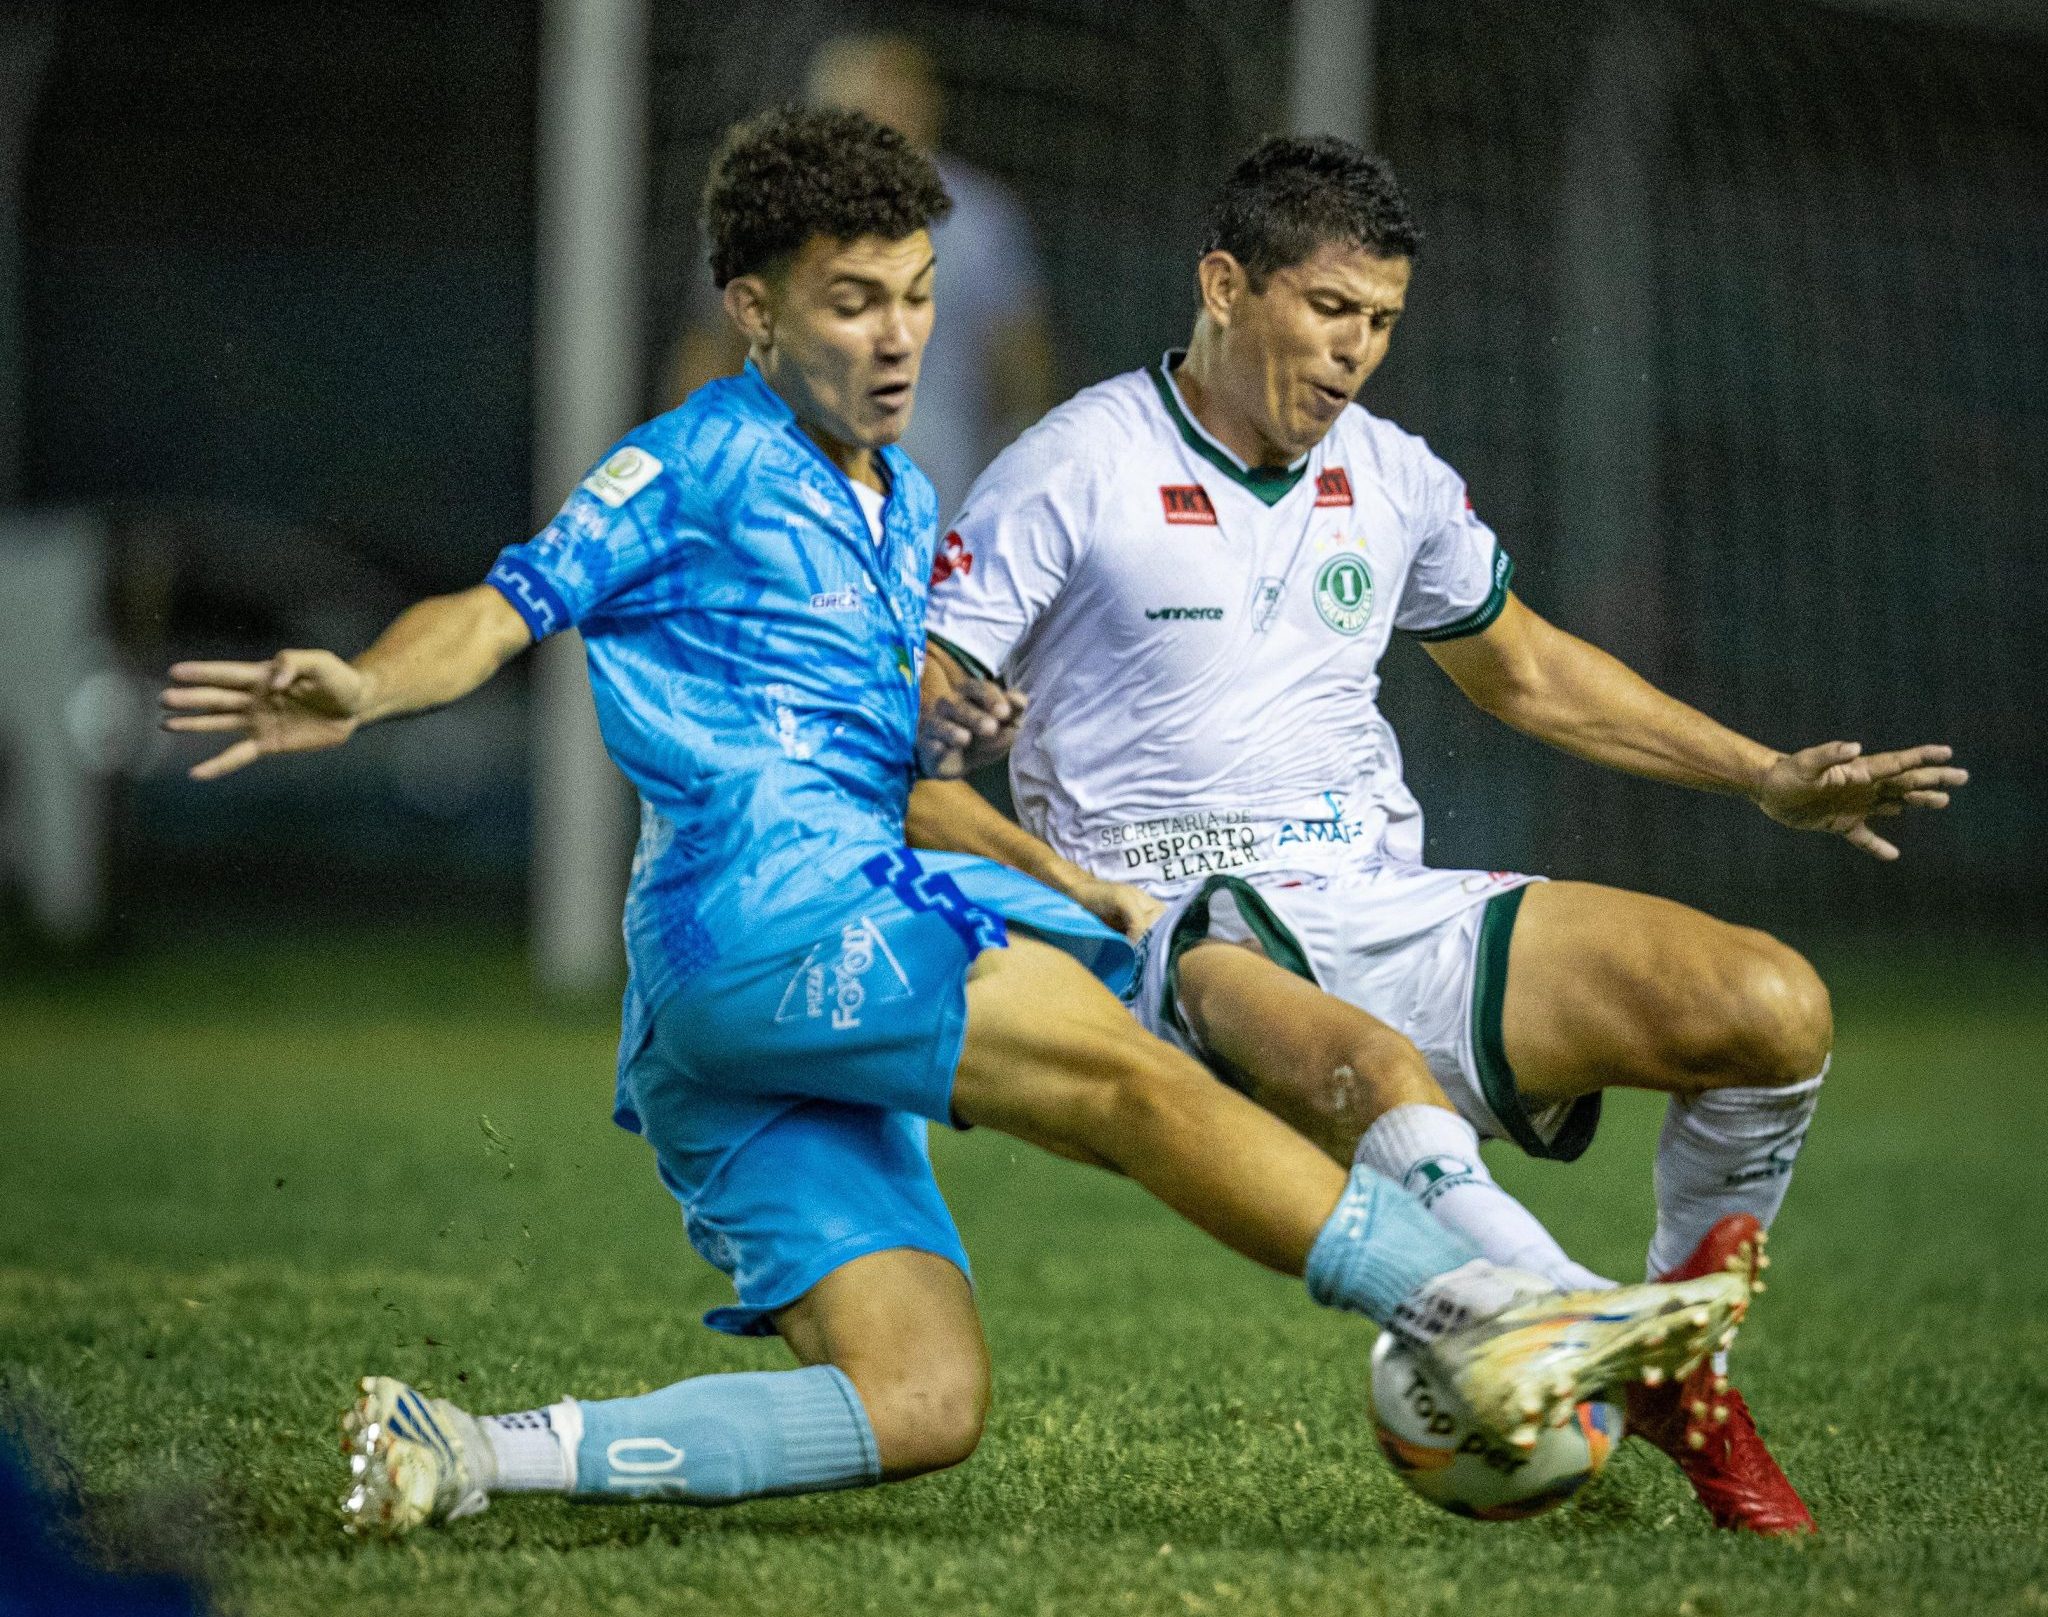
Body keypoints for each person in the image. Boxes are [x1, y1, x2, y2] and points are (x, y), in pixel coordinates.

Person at [160, 109, 1751, 1539]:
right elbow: (502, 612)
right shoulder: (695, 461)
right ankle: (1491, 1303)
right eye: (854, 302)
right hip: (766, 919)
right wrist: (365, 687)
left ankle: (471, 1451)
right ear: (756, 311)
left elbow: (900, 777)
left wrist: (1062, 868)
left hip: (737, 1009)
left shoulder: (903, 503)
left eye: (919, 293)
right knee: (1139, 1070)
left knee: (921, 1400)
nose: (902, 334)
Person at [911, 135, 1965, 1536]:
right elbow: (919, 689)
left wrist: (1765, 774)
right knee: (1372, 1063)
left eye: (1383, 323)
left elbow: (1523, 668)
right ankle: (1570, 1323)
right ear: (1225, 285)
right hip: (1162, 925)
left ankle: (1671, 1372)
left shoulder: (1390, 475)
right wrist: (1004, 808)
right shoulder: (1073, 465)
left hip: (1371, 894)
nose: (1357, 354)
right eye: (1330, 312)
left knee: (1769, 1007)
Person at [669, 32, 1054, 524]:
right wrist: (698, 472)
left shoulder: (981, 220)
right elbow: (712, 346)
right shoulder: (767, 213)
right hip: (791, 502)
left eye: (902, 105)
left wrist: (1022, 484)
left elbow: (1022, 364)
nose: (888, 124)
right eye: (868, 108)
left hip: (940, 505)